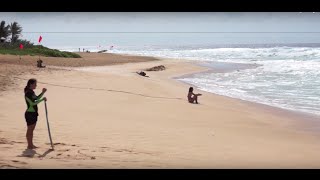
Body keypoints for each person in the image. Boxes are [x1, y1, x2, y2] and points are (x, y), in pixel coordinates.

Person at [24, 79, 47, 149]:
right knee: (30, 129)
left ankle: (30, 144)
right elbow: (32, 103)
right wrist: (42, 100)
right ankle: (30, 145)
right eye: (35, 84)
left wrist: (43, 92)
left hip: (33, 113)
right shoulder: (28, 93)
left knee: (31, 129)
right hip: (30, 113)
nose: (36, 85)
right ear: (31, 84)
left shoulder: (31, 92)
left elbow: (36, 98)